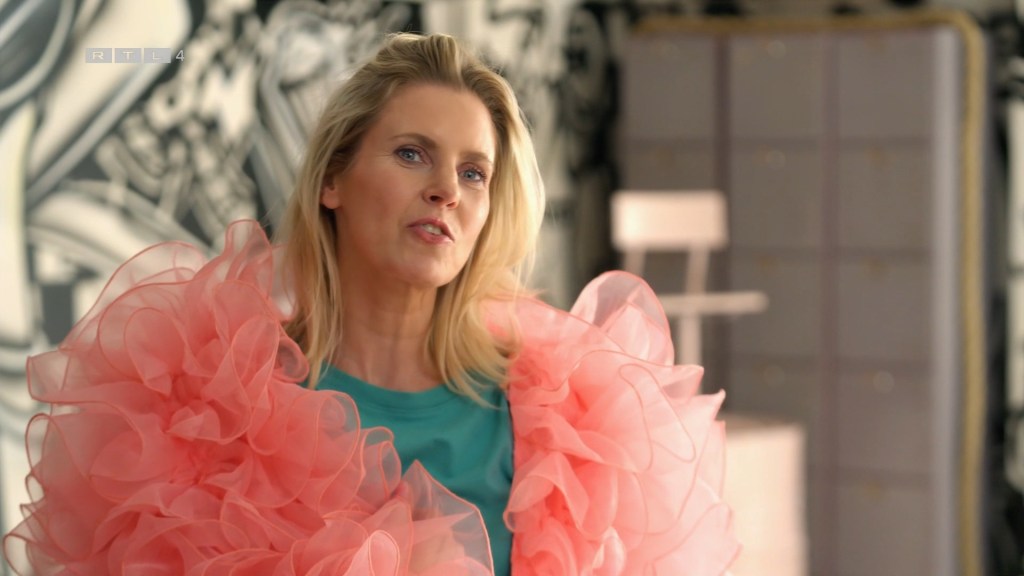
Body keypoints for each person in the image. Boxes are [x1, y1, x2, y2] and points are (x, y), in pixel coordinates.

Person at [3, 33, 738, 575]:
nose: (446, 190)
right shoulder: (204, 411)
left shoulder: (566, 419)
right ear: (333, 180)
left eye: (474, 173)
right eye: (412, 153)